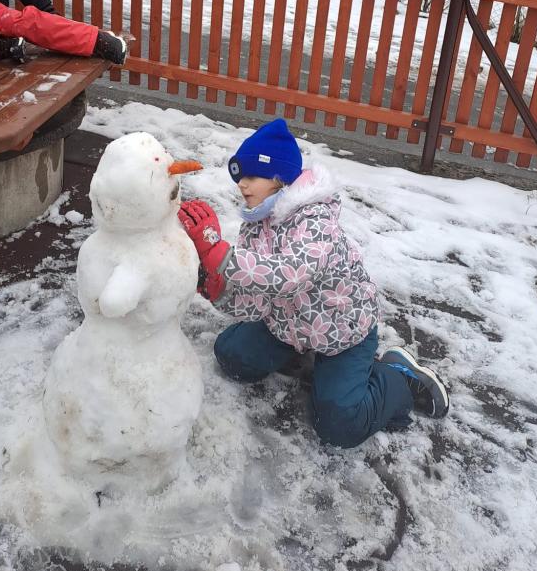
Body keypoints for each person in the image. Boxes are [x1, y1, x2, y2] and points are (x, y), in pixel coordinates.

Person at [178, 118, 449, 449]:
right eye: (239, 178)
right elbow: (257, 301)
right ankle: (309, 359)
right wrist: (217, 289)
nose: (242, 185)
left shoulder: (315, 220)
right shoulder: (256, 226)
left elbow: (291, 275)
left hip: (343, 334)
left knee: (338, 426)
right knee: (232, 356)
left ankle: (397, 377)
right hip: (289, 327)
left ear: (279, 177)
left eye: (251, 176)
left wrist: (221, 255)